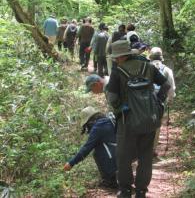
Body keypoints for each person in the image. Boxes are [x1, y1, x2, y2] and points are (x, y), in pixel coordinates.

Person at [107, 40, 170, 198]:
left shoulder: (118, 72)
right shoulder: (149, 67)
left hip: (126, 121)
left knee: (124, 157)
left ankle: (126, 190)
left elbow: (113, 97)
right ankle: (141, 191)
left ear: (121, 56)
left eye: (116, 57)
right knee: (146, 156)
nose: (115, 60)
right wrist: (158, 103)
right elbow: (166, 84)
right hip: (149, 119)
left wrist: (119, 109)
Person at [63, 106, 117, 189]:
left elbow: (87, 148)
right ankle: (113, 178)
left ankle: (111, 180)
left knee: (98, 152)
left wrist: (71, 163)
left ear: (89, 120)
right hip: (123, 151)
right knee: (100, 148)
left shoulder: (98, 127)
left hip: (116, 154)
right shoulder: (106, 121)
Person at [148, 47, 176, 156]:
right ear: (161, 58)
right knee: (156, 125)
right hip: (160, 100)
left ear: (150, 57)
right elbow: (171, 87)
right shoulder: (167, 70)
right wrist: (170, 99)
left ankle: (142, 146)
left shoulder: (145, 67)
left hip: (146, 99)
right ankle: (152, 149)